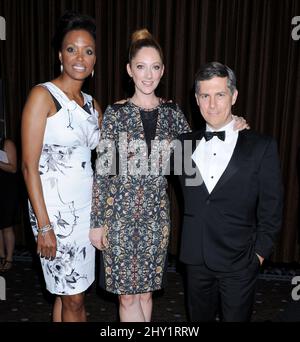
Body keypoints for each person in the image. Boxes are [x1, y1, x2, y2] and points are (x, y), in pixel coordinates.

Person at [89, 30, 248, 322]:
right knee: (126, 296)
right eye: (141, 66)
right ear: (129, 70)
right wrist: (97, 223)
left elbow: (201, 144)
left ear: (163, 70)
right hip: (119, 217)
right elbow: (103, 172)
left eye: (155, 67)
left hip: (156, 217)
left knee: (147, 293)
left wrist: (232, 123)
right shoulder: (115, 113)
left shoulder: (173, 114)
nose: (148, 75)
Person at [175, 62, 283, 322]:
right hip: (195, 258)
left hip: (240, 261)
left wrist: (258, 255)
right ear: (197, 100)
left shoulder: (261, 146)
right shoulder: (182, 145)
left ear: (233, 96)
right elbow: (136, 161)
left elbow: (272, 206)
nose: (212, 104)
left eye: (220, 94)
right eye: (205, 96)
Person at [21, 11, 101, 322]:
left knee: (67, 293)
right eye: (72, 49)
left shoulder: (94, 106)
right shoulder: (42, 96)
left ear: (94, 61)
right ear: (60, 55)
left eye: (88, 51)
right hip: (54, 215)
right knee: (76, 301)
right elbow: (28, 166)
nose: (80, 57)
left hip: (85, 213)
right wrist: (44, 226)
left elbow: (110, 156)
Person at [0, 136, 18, 272]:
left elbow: (13, 168)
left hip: (6, 191)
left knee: (6, 226)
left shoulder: (6, 143)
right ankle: (1, 256)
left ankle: (9, 258)